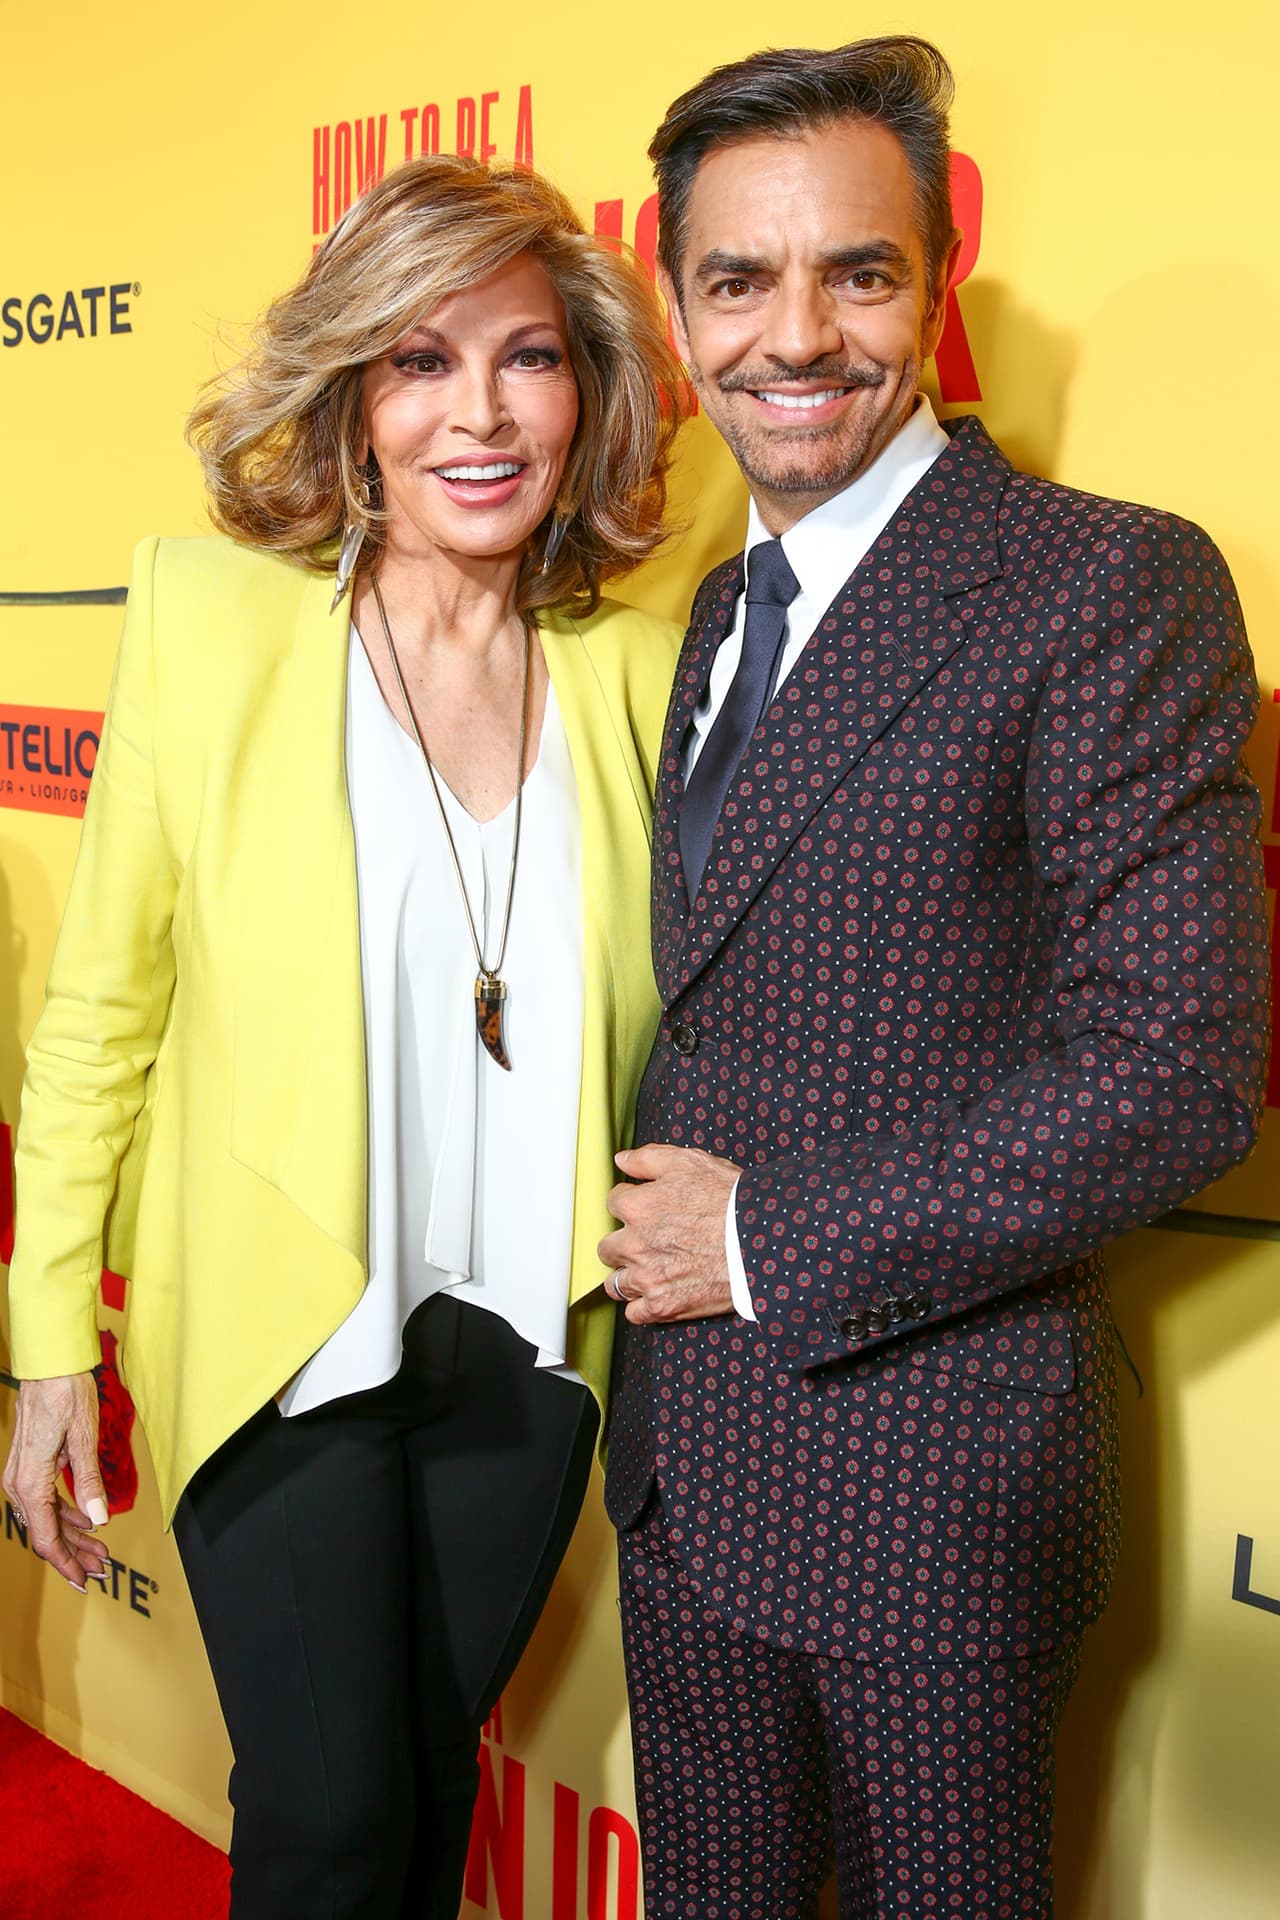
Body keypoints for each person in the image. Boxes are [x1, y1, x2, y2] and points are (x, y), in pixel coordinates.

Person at [598, 35, 1269, 1920]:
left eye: (856, 272)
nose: (794, 335)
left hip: (931, 1500)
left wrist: (759, 1246)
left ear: (937, 277)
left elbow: (1181, 1068)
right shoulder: (715, 609)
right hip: (681, 1475)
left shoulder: (1106, 584)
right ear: (675, 303)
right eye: (737, 281)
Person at [3, 154, 682, 1918]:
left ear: (587, 392)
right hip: (288, 1352)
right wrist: (46, 1341)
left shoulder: (638, 671)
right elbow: (100, 1015)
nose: (478, 414)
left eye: (525, 359)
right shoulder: (214, 626)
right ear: (350, 399)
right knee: (322, 1823)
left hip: (527, 1359)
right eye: (417, 359)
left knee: (421, 1794)